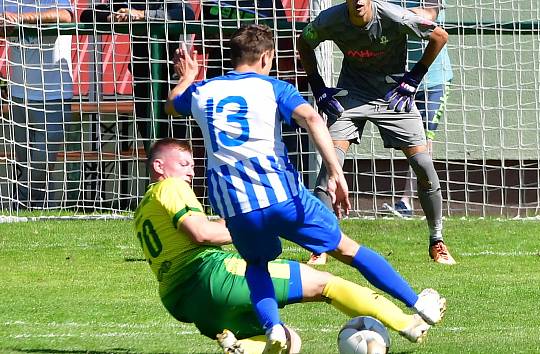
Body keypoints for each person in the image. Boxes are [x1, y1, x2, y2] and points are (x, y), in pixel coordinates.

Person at [165, 24, 445, 353]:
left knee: (257, 266)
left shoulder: (202, 91)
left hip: (236, 204)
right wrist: (336, 172)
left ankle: (274, 329)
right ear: (266, 57)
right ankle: (417, 303)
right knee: (347, 250)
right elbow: (312, 119)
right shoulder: (273, 88)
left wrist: (189, 75)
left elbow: (171, 104)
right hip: (283, 195)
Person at [134, 138, 440, 353]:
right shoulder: (170, 187)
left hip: (182, 301)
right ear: (159, 166)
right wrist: (250, 224)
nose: (190, 171)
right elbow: (201, 233)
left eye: (192, 165)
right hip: (211, 276)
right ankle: (408, 324)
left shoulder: (142, 210)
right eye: (183, 164)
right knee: (326, 283)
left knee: (288, 342)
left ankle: (241, 349)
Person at [297, 0, 456, 266]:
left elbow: (440, 35)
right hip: (351, 96)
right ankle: (320, 245)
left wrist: (413, 78)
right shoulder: (330, 20)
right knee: (330, 167)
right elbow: (304, 41)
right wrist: (319, 88)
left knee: (423, 163)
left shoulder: (395, 16)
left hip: (394, 96)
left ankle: (436, 240)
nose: (358, 1)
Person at [390, 0, 455, 266]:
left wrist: (397, 14)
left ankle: (409, 200)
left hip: (434, 78)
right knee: (406, 140)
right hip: (400, 77)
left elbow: (429, 15)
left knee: (424, 142)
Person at [79, 0, 196, 141]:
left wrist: (142, 15)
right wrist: (113, 16)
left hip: (175, 81)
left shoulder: (173, 3)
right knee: (149, 141)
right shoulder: (133, 3)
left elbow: (186, 13)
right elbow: (87, 15)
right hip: (143, 81)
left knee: (175, 143)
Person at [0, 0, 74, 209]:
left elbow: (66, 16)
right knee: (25, 164)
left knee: (41, 164)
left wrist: (20, 20)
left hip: (54, 95)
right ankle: (37, 215)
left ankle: (18, 205)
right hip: (17, 94)